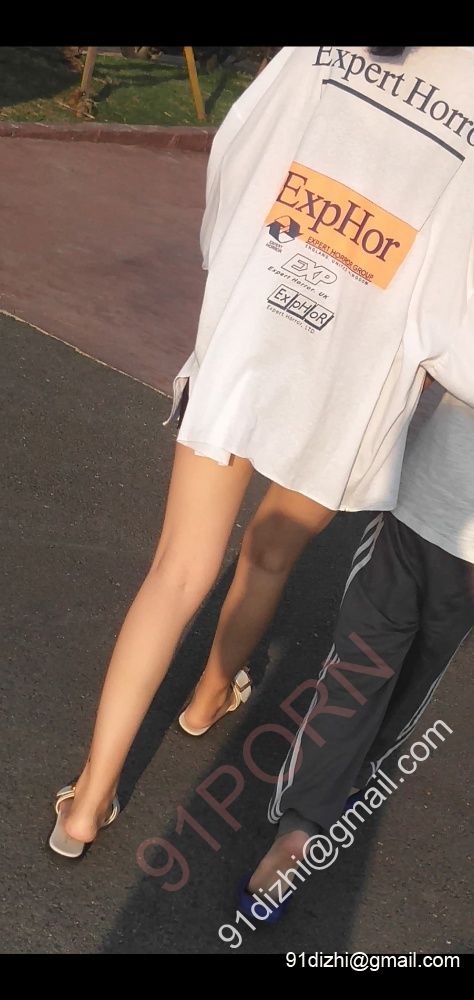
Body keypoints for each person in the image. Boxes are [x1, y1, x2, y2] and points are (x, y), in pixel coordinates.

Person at [49, 46, 474, 858]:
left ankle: (87, 803)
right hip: (352, 374)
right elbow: (462, 296)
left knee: (177, 570)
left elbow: (242, 146)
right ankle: (208, 697)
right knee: (272, 553)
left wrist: (233, 272)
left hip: (252, 325)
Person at [243, 386, 473, 910]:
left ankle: (302, 824)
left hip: (420, 503)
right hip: (440, 529)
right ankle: (351, 774)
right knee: (420, 671)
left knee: (359, 667)